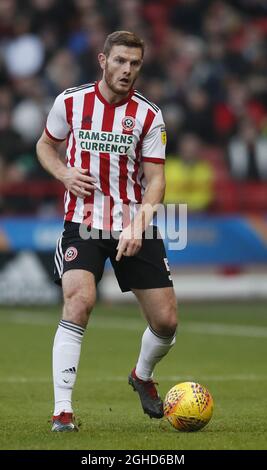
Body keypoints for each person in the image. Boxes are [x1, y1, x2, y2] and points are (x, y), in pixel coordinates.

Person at [36, 31, 177, 432]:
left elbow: (156, 181)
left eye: (134, 63)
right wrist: (64, 173)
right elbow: (45, 146)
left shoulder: (149, 115)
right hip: (82, 222)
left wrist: (139, 223)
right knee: (79, 301)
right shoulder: (71, 101)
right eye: (120, 61)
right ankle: (62, 411)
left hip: (133, 223)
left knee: (166, 322)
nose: (127, 70)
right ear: (102, 60)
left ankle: (142, 375)